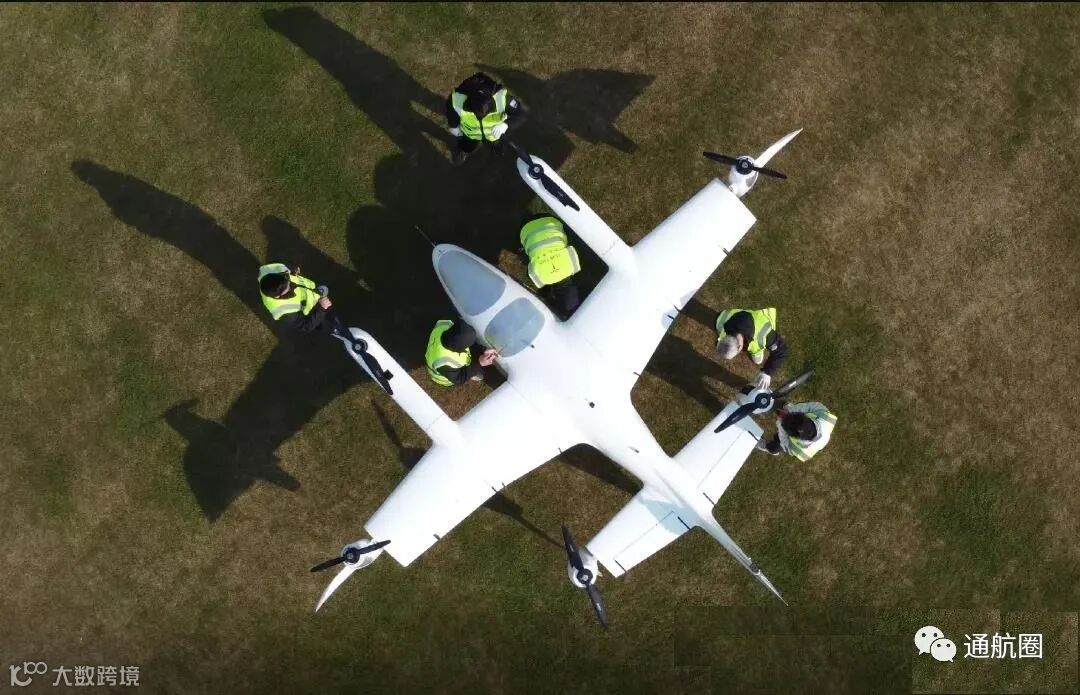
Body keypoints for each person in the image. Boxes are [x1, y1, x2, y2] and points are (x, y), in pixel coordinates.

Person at [446, 71, 525, 164]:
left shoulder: (503, 99)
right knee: (467, 147)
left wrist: (505, 125)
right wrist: (454, 126)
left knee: (499, 147)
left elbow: (520, 114)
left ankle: (497, 150)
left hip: (495, 134)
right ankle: (463, 150)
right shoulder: (456, 99)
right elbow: (452, 113)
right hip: (470, 134)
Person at [519, 214, 581, 318]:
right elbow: (529, 268)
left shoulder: (574, 267)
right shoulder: (540, 280)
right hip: (525, 229)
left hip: (551, 220)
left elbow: (571, 248)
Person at [715, 308, 787, 390]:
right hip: (746, 323)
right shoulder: (723, 324)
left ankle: (757, 352)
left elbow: (781, 350)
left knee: (758, 361)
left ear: (739, 347)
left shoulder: (764, 336)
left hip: (762, 321)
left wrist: (767, 372)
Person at [258, 262, 332, 333]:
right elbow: (306, 325)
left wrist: (292, 271)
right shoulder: (284, 312)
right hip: (313, 310)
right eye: (288, 289)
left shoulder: (269, 270)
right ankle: (331, 329)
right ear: (278, 296)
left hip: (312, 292)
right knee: (325, 323)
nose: (292, 285)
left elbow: (283, 267)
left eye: (288, 280)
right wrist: (321, 308)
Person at [425, 319, 498, 386]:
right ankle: (472, 373)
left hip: (442, 354)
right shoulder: (444, 362)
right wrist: (479, 364)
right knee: (469, 371)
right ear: (459, 349)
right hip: (446, 378)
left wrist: (483, 349)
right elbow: (459, 379)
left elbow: (463, 338)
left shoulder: (444, 326)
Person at [756, 401, 837, 461]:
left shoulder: (800, 451)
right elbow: (809, 406)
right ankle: (786, 406)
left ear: (791, 435)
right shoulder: (825, 416)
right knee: (789, 408)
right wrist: (791, 411)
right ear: (807, 418)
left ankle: (765, 446)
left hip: (788, 441)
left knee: (775, 447)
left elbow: (784, 442)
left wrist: (780, 425)